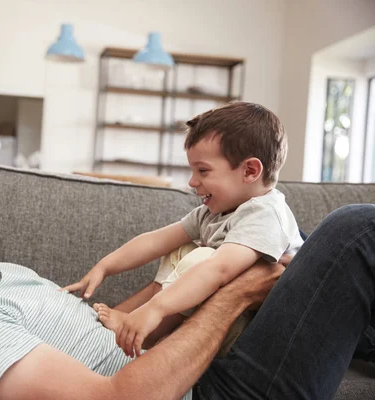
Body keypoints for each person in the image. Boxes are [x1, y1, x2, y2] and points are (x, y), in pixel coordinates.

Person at [0, 148, 375, 400]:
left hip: (201, 368)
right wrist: (232, 298)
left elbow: (130, 341)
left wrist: (180, 299)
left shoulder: (5, 276)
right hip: (218, 394)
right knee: (353, 231)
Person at [64, 102, 303, 358]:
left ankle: (146, 331)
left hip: (252, 331)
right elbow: (157, 240)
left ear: (250, 171)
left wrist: (156, 309)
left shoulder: (265, 214)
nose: (192, 181)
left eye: (203, 170)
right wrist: (105, 266)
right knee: (182, 249)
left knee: (203, 259)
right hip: (218, 318)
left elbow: (219, 270)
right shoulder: (213, 212)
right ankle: (122, 322)